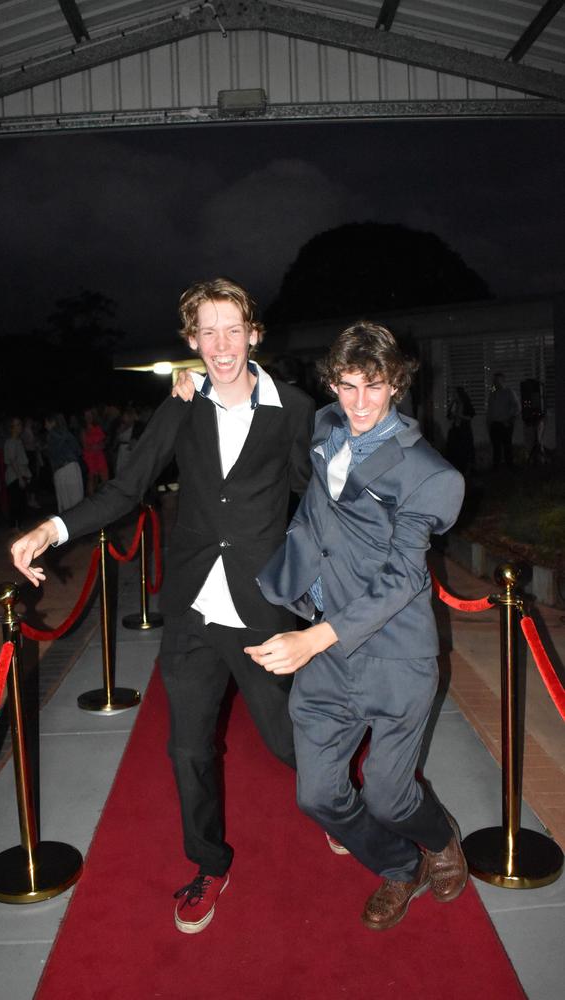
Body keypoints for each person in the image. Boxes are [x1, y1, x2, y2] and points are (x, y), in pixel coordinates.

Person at [11, 278, 315, 934]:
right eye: (208, 331)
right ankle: (209, 861)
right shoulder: (181, 406)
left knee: (287, 739)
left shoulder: (293, 408)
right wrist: (54, 528)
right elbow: (125, 489)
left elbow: (312, 498)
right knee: (187, 749)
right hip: (192, 608)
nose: (222, 344)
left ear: (254, 333)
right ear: (191, 341)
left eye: (233, 329)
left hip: (260, 607)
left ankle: (343, 805)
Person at [245, 320, 468, 932]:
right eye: (347, 386)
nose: (359, 403)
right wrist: (200, 383)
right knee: (316, 795)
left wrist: (313, 636)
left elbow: (402, 579)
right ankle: (400, 867)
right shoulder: (325, 426)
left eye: (373, 387)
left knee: (388, 795)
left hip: (396, 656)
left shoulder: (430, 474)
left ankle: (438, 836)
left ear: (396, 383)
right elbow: (312, 486)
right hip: (328, 656)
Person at [44, 412, 84, 512]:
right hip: (73, 467)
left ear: (52, 422)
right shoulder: (68, 433)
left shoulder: (51, 435)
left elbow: (53, 456)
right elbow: (78, 450)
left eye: (46, 423)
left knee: (66, 505)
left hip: (61, 471)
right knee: (77, 502)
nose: (45, 426)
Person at [486, 372, 520, 468]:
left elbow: (517, 407)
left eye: (498, 380)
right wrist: (489, 422)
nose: (496, 382)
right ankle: (496, 465)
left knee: (507, 445)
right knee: (496, 446)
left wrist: (509, 419)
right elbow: (490, 409)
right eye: (495, 380)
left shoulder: (509, 392)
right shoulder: (492, 393)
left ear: (503, 381)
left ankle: (510, 465)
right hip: (495, 424)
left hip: (505, 423)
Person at [3, 417, 31, 530]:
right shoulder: (10, 442)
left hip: (19, 474)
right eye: (17, 425)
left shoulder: (18, 441)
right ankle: (14, 526)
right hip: (14, 476)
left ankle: (17, 526)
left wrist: (26, 475)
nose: (20, 427)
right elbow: (12, 460)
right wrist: (19, 477)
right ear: (12, 428)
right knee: (16, 502)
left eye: (20, 424)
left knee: (20, 502)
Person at [446, 385, 475, 476]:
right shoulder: (455, 404)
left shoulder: (466, 403)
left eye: (455, 393)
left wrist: (459, 416)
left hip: (464, 430)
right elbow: (449, 416)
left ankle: (466, 470)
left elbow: (470, 416)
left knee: (465, 450)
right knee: (455, 450)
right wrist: (451, 405)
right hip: (456, 429)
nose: (454, 395)